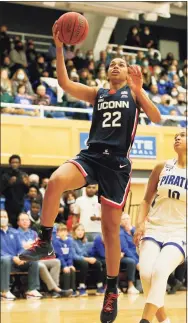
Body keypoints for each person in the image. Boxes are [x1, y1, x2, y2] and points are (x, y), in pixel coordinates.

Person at [19, 21, 161, 323]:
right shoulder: (98, 93)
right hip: (91, 155)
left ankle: (111, 290)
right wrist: (59, 48)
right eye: (112, 63)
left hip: (118, 165)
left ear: (128, 72)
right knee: (56, 180)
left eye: (121, 64)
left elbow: (158, 117)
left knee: (110, 231)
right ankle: (44, 240)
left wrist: (139, 90)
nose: (115, 66)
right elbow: (66, 84)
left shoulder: (133, 95)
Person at [134, 131, 186, 323]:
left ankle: (144, 321)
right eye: (177, 136)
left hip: (180, 230)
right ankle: (164, 321)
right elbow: (146, 200)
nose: (178, 138)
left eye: (184, 135)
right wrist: (140, 224)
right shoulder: (161, 167)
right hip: (154, 228)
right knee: (146, 274)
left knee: (161, 270)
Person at [17, 213, 69, 298]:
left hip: (38, 257)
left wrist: (30, 246)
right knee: (39, 265)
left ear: (30, 222)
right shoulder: (16, 233)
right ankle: (55, 290)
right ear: (18, 222)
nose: (25, 222)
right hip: (27, 260)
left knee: (56, 262)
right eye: (22, 220)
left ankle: (54, 291)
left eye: (26, 220)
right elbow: (20, 248)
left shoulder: (33, 233)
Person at [0, 210, 42, 300]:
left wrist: (21, 256)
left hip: (17, 261)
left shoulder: (14, 232)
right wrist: (13, 257)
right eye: (1, 217)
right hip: (3, 261)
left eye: (5, 217)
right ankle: (4, 291)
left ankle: (31, 290)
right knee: (6, 258)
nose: (3, 219)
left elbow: (20, 247)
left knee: (32, 259)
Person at [71, 224, 105, 297]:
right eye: (78, 230)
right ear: (74, 231)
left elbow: (88, 253)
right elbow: (74, 256)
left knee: (97, 263)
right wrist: (87, 259)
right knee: (84, 263)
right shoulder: (71, 241)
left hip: (85, 259)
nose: (80, 232)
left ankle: (99, 286)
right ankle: (81, 287)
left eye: (82, 230)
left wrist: (92, 258)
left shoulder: (85, 241)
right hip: (75, 260)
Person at [1, 155, 29, 228]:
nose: (15, 164)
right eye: (13, 162)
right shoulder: (5, 176)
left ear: (19, 164)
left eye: (16, 162)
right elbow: (1, 191)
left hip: (20, 206)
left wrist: (27, 185)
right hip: (9, 206)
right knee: (9, 226)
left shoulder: (23, 175)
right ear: (10, 164)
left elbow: (27, 192)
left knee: (21, 226)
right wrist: (9, 183)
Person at [52, 223, 77, 296]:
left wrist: (70, 264)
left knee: (72, 269)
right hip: (60, 263)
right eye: (60, 231)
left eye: (64, 231)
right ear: (57, 233)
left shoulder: (70, 241)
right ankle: (66, 290)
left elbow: (70, 254)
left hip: (68, 262)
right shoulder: (56, 242)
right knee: (67, 271)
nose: (63, 233)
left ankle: (73, 290)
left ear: (67, 232)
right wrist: (64, 266)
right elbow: (59, 255)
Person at [120, 213, 140, 294]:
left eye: (127, 218)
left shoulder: (134, 230)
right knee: (131, 261)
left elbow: (140, 241)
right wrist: (137, 261)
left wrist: (131, 230)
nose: (126, 221)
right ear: (120, 221)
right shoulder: (120, 232)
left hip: (137, 254)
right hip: (126, 255)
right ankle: (130, 286)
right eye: (124, 219)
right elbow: (125, 249)